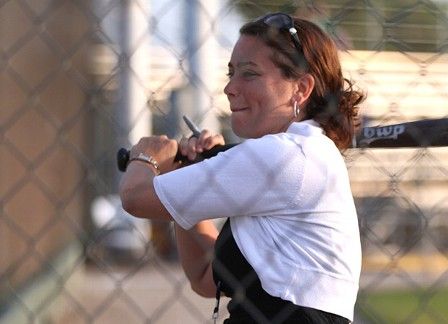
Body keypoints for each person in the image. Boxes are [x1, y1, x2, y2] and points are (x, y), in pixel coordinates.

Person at [119, 12, 366, 323]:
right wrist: (187, 172)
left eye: (249, 74)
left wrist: (146, 155)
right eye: (231, 72)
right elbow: (205, 279)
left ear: (301, 89)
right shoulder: (300, 152)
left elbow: (134, 197)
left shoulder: (285, 155)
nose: (230, 88)